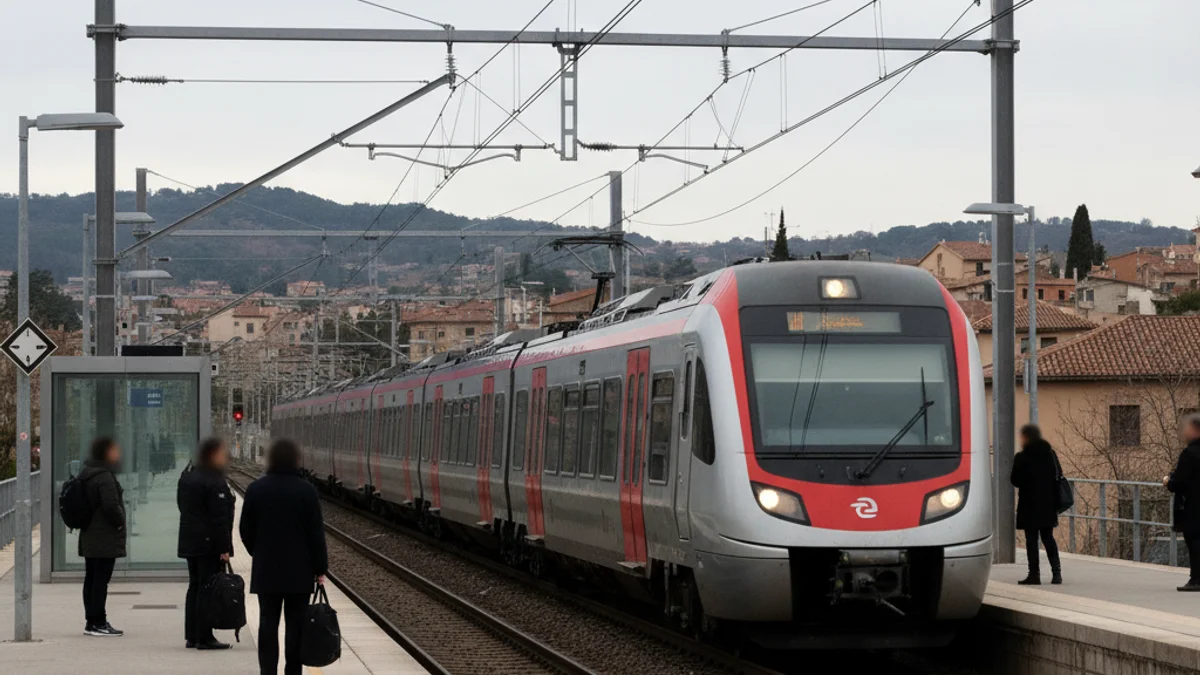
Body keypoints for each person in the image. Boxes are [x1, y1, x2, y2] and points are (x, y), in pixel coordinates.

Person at [240, 438, 328, 675]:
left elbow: (245, 529)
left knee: (268, 623)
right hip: (299, 572)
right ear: (295, 460)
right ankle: (293, 671)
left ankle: (268, 671)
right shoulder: (306, 491)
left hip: (267, 569)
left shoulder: (256, 489)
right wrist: (320, 568)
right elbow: (315, 534)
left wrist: (258, 552)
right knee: (296, 626)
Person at [177, 437, 236, 650]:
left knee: (195, 586)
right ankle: (204, 636)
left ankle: (192, 635)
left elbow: (182, 507)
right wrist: (224, 548)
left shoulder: (187, 478)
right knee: (207, 588)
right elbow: (219, 519)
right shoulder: (214, 481)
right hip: (208, 544)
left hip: (190, 541)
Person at [78, 437, 127, 636]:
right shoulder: (104, 476)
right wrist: (120, 522)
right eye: (115, 450)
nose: (118, 453)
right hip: (104, 536)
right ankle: (98, 622)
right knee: (100, 581)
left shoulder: (87, 473)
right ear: (106, 453)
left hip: (90, 534)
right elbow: (110, 505)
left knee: (91, 579)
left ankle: (91, 621)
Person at [1011, 424, 1062, 585]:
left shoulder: (1021, 457)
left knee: (1031, 539)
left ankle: (1034, 574)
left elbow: (1015, 480)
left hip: (1029, 504)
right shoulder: (1050, 454)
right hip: (1048, 502)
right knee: (1048, 537)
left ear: (1026, 437)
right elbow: (1058, 475)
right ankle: (1056, 574)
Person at [1165, 415, 1200, 591]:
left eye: (1187, 428)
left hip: (1193, 507)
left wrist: (1168, 481)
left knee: (1194, 543)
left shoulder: (1189, 453)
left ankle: (1196, 580)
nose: (1184, 432)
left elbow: (1180, 482)